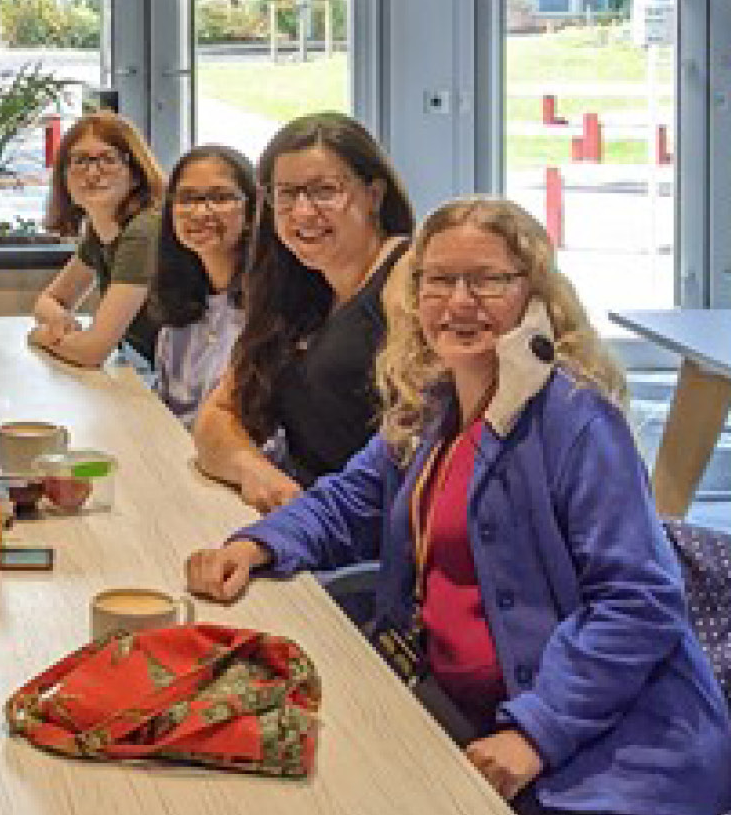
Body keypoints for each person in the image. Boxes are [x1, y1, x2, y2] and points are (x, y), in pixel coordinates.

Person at [186, 197, 731, 815]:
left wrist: (535, 735)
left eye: (489, 280)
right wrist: (255, 544)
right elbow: (347, 503)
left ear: (535, 294)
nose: (461, 302)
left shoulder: (575, 418)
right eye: (440, 280)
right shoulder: (432, 404)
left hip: (600, 749)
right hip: (457, 713)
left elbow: (638, 601)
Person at [193, 113, 415, 512]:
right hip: (308, 517)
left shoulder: (406, 276)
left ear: (374, 195)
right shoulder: (296, 289)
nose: (302, 212)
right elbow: (216, 417)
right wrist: (255, 472)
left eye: (325, 191)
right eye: (287, 193)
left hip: (373, 536)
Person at [28, 112, 164, 368]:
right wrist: (59, 319)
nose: (92, 173)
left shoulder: (143, 231)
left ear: (136, 173)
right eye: (80, 161)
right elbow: (48, 301)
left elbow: (93, 351)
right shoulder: (100, 230)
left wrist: (40, 336)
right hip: (146, 371)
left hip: (181, 389)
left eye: (108, 160)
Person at [151, 145, 257, 424]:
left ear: (251, 212)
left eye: (220, 197)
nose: (200, 212)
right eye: (186, 198)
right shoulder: (179, 313)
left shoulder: (266, 312)